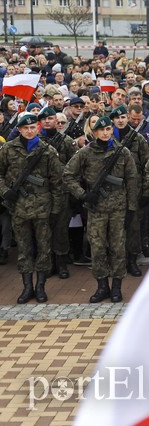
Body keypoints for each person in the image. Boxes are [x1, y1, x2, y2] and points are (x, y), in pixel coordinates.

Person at [63, 116, 139, 303]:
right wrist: (82, 194)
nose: (105, 133)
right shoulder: (85, 153)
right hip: (96, 209)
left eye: (108, 129)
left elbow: (132, 180)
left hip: (118, 209)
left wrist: (131, 208)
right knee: (97, 249)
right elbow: (68, 175)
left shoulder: (123, 152)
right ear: (94, 132)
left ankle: (116, 287)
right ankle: (102, 286)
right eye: (101, 130)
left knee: (118, 248)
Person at [0, 113, 64, 304]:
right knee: (24, 249)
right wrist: (5, 192)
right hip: (18, 207)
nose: (29, 131)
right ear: (19, 129)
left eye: (32, 128)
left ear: (37, 128)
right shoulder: (8, 149)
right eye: (25, 128)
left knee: (44, 248)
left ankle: (41, 286)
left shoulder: (47, 151)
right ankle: (27, 286)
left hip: (43, 208)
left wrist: (56, 210)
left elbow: (57, 183)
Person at [109, 105, 149, 277]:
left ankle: (132, 261)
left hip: (134, 189)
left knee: (133, 227)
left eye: (123, 117)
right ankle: (117, 262)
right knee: (114, 229)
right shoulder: (107, 137)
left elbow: (147, 166)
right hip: (112, 191)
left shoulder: (137, 139)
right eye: (116, 118)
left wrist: (146, 192)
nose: (120, 120)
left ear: (127, 118)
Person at [37, 106, 77, 279]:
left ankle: (61, 264)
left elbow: (74, 167)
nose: (47, 121)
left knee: (61, 229)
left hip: (61, 192)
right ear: (40, 122)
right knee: (43, 230)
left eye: (50, 118)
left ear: (56, 121)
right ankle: (48, 264)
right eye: (44, 118)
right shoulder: (35, 140)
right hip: (40, 194)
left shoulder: (66, 141)